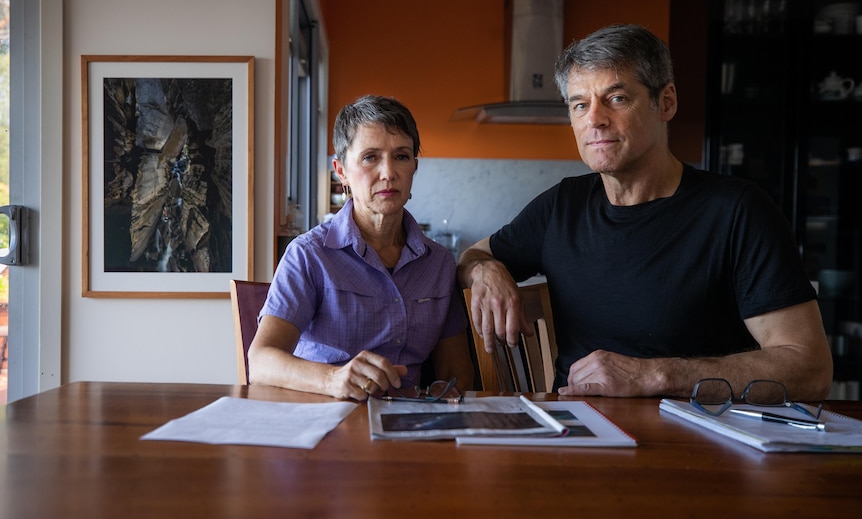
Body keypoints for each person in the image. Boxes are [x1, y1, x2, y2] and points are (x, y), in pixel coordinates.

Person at [457, 24, 832, 402]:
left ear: (665, 102)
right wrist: (486, 269)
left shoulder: (738, 211)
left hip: (699, 442)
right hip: (579, 436)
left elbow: (810, 369)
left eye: (616, 98)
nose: (595, 119)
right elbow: (473, 256)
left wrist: (658, 375)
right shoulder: (561, 206)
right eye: (580, 104)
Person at [249, 95, 474, 400]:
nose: (388, 173)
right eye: (370, 157)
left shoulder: (440, 264)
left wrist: (441, 392)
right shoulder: (309, 255)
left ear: (414, 168)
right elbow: (261, 362)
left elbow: (455, 372)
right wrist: (333, 379)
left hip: (409, 427)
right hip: (322, 421)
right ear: (341, 171)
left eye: (402, 156)